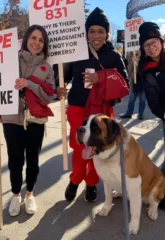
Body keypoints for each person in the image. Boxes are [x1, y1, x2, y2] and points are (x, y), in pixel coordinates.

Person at [56, 7, 129, 203]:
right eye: (92, 31)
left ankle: (91, 183)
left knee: (97, 149)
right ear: (86, 33)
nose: (96, 35)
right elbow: (63, 76)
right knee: (80, 148)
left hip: (102, 112)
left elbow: (125, 84)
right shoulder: (76, 51)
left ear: (107, 33)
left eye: (101, 31)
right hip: (78, 107)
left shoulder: (114, 56)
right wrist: (58, 87)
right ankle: (75, 180)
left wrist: (101, 78)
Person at [0, 24, 56, 216]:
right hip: (12, 120)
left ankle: (29, 194)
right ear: (26, 39)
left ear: (44, 45)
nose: (36, 42)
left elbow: (48, 96)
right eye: (33, 38)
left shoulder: (47, 68)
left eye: (41, 40)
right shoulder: (9, 61)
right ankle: (16, 194)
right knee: (15, 160)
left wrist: (30, 84)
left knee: (33, 161)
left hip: (35, 120)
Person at [138, 21, 165, 210]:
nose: (151, 46)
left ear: (161, 41)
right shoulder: (147, 72)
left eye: (154, 41)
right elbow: (155, 106)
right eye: (147, 44)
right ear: (143, 49)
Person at [120, 51, 147, 120]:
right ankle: (129, 113)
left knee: (142, 100)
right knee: (131, 99)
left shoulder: (146, 60)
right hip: (134, 83)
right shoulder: (132, 61)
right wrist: (133, 62)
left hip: (144, 83)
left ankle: (141, 115)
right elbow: (129, 72)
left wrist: (138, 64)